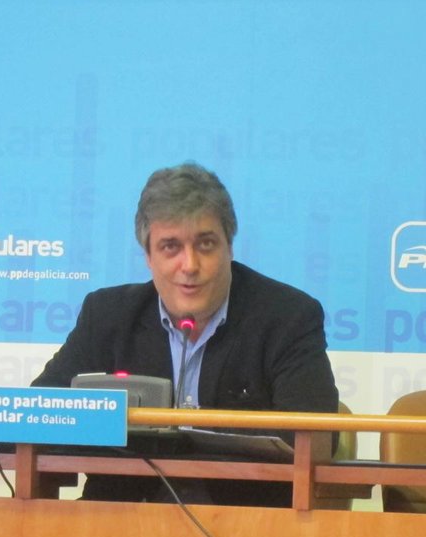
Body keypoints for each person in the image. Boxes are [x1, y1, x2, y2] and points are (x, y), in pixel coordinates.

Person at [32, 162, 339, 506]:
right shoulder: (107, 317)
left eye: (206, 244)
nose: (190, 265)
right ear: (148, 256)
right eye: (170, 247)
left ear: (229, 247)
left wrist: (187, 433)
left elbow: (315, 437)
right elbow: (37, 414)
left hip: (247, 524)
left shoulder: (287, 317)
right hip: (121, 520)